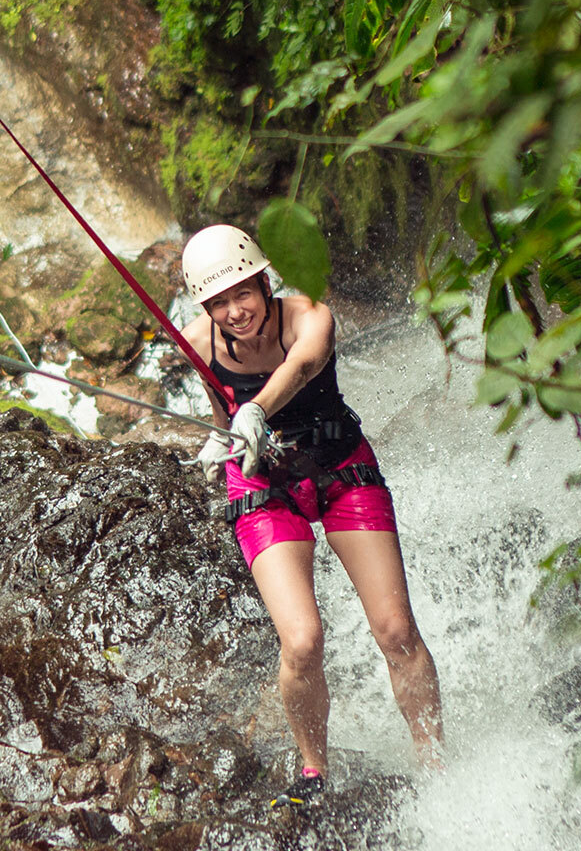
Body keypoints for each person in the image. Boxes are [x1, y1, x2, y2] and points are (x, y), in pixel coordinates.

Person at [178, 223, 443, 813]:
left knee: (396, 631)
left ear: (263, 281)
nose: (234, 311)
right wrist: (224, 436)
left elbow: (301, 368)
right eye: (218, 303)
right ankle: (313, 769)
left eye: (242, 293)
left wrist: (253, 411)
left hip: (341, 467)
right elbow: (222, 407)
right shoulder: (196, 342)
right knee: (302, 641)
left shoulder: (312, 317)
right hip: (264, 481)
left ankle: (434, 763)